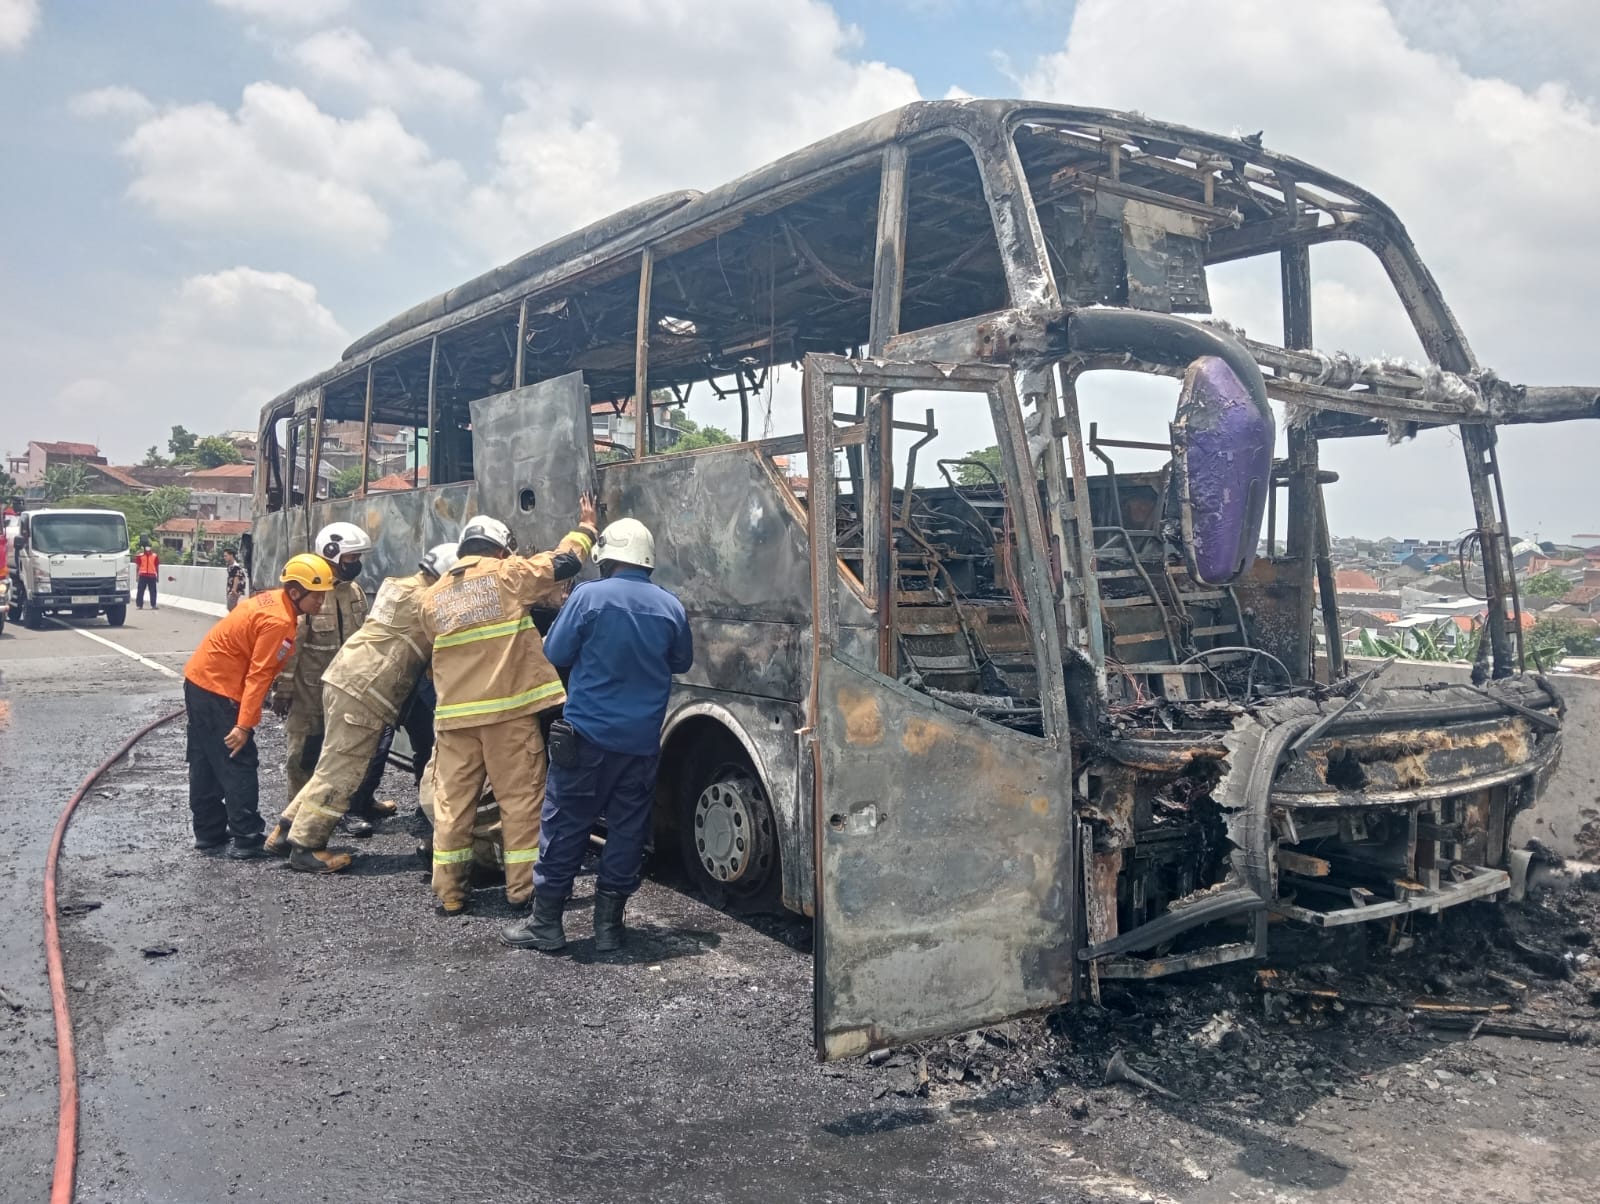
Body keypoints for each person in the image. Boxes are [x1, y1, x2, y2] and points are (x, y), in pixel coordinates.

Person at [502, 518, 692, 954]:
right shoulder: (670, 606)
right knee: (627, 831)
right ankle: (610, 929)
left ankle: (546, 924)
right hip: (641, 743)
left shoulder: (588, 596)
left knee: (565, 824)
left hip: (586, 738)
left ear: (606, 558)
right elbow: (681, 660)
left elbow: (555, 652)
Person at [419, 502, 597, 916]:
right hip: (506, 716)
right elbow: (564, 561)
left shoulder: (431, 597)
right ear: (500, 549)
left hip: (454, 720)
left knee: (453, 805)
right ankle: (522, 890)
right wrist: (586, 527)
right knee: (520, 802)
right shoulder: (507, 575)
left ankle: (450, 891)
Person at [264, 543, 459, 872]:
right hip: (364, 691)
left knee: (330, 764)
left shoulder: (399, 586)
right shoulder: (428, 601)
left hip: (346, 678)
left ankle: (285, 831)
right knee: (344, 771)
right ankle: (307, 847)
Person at [183, 554, 335, 859]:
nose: (321, 604)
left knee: (205, 757)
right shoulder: (278, 621)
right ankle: (247, 838)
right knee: (238, 758)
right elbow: (259, 674)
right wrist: (243, 725)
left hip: (199, 681)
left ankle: (209, 831)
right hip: (219, 688)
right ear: (296, 593)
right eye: (316, 597)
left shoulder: (272, 601)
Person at [270, 522, 371, 813]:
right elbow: (292, 647)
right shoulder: (312, 595)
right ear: (332, 553)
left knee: (344, 755)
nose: (356, 564)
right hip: (309, 694)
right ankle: (297, 815)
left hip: (345, 691)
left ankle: (342, 811)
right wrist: (284, 690)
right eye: (352, 558)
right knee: (303, 756)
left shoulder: (354, 593)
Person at [135, 537, 160, 610]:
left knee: (153, 591)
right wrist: (137, 576)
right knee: (140, 591)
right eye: (146, 547)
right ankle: (139, 605)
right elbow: (138, 567)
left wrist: (158, 576)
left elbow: (157, 567)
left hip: (152, 576)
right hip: (142, 575)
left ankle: (153, 605)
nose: (148, 548)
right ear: (144, 548)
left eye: (149, 547)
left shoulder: (155, 556)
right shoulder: (140, 556)